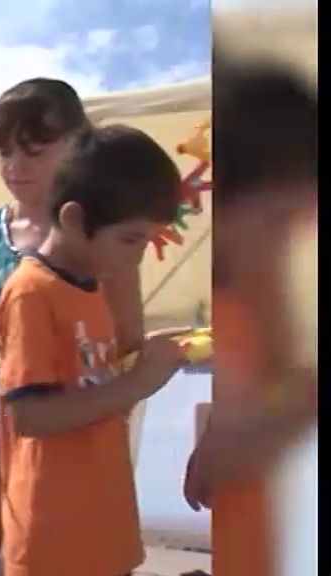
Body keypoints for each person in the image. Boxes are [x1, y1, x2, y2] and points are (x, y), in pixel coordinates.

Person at [0, 79, 147, 576]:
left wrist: (105, 412)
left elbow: (128, 338)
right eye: (5, 151)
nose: (16, 165)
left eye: (34, 149)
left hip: (61, 418)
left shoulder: (101, 235)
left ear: (79, 143)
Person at [0, 125, 189, 576]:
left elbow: (92, 385)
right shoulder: (31, 291)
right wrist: (139, 382)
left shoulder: (93, 289)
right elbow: (31, 415)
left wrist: (155, 356)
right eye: (131, 239)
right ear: (75, 219)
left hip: (102, 527)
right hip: (55, 537)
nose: (137, 257)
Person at [182, 54, 318, 576]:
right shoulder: (236, 310)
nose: (297, 232)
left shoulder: (250, 304)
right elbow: (225, 453)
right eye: (282, 219)